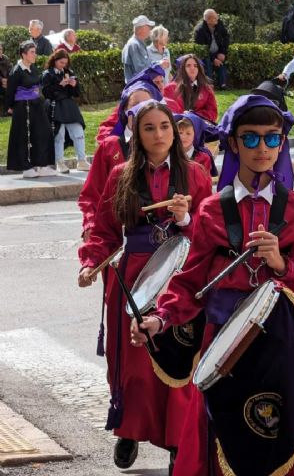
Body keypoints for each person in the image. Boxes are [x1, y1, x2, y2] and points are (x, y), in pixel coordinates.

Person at [131, 94, 294, 476]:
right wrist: (159, 319)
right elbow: (189, 282)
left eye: (272, 138)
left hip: (281, 346)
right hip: (223, 345)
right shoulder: (211, 210)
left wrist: (282, 263)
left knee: (277, 439)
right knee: (217, 439)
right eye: (250, 138)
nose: (263, 148)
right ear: (233, 143)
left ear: (282, 144)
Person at [78, 100, 212, 474]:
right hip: (133, 277)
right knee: (134, 365)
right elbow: (105, 230)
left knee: (178, 361)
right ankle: (129, 430)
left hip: (179, 279)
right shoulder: (121, 174)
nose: (158, 135)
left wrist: (185, 219)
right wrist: (91, 261)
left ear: (176, 130)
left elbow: (209, 233)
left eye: (165, 127)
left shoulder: (197, 175)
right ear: (137, 134)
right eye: (149, 128)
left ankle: (176, 442)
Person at [79, 80, 162, 240]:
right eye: (135, 104)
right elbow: (91, 194)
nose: (141, 109)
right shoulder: (109, 147)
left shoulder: (165, 145)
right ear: (124, 111)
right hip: (115, 232)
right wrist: (90, 224)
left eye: (147, 104)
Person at [6, 41, 56, 178]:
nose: (35, 55)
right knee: (25, 137)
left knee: (43, 133)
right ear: (24, 54)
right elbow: (10, 91)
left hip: (36, 105)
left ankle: (42, 165)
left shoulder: (33, 68)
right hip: (23, 108)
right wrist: (10, 107)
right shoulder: (16, 71)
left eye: (35, 52)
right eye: (32, 52)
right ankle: (26, 167)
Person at [41, 49, 90, 174]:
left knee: (78, 131)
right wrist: (60, 85)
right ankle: (60, 162)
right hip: (54, 105)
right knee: (59, 134)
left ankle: (82, 160)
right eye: (61, 63)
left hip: (68, 105)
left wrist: (74, 85)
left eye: (65, 63)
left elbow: (76, 93)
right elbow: (46, 93)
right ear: (55, 61)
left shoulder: (68, 72)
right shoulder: (48, 74)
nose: (64, 65)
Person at [95, 64, 164, 145]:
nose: (161, 86)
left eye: (162, 81)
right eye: (156, 82)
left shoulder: (162, 105)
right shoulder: (128, 106)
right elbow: (105, 131)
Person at [164, 54, 218, 123]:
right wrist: (184, 117)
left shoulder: (207, 89)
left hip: (200, 126)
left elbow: (213, 113)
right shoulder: (169, 88)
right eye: (188, 65)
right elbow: (169, 111)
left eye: (195, 66)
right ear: (182, 69)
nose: (192, 68)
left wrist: (194, 116)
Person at [194, 9, 230, 89]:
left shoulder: (219, 24)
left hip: (218, 52)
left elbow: (226, 37)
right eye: (214, 17)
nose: (217, 18)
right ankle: (208, 85)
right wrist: (213, 59)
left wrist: (222, 52)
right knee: (207, 62)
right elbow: (202, 49)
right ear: (208, 20)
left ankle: (223, 85)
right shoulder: (200, 30)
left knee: (222, 62)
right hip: (206, 54)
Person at [122, 15, 155, 83]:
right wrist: (158, 64)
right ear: (141, 29)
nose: (150, 29)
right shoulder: (134, 45)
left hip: (138, 86)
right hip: (138, 86)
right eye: (148, 27)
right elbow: (141, 69)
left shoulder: (136, 44)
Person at [0, 42, 12, 115]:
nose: (0, 51)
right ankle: (5, 111)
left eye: (1, 49)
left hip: (7, 82)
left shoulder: (5, 58)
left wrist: (9, 80)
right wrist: (2, 81)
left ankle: (10, 109)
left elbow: (10, 70)